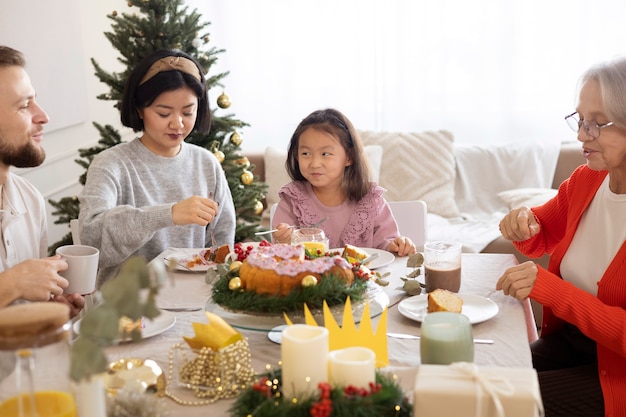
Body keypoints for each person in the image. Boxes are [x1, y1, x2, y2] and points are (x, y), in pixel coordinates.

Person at [496, 57, 626, 417]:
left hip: (616, 374)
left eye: (598, 124)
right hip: (570, 345)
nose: (582, 135)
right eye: (580, 120)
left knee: (500, 403)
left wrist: (552, 290)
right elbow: (539, 234)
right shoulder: (588, 179)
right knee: (479, 375)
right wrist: (523, 221)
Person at [79, 49, 235, 286]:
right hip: (129, 305)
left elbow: (222, 240)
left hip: (193, 298)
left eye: (188, 112)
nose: (178, 123)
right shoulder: (111, 164)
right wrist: (168, 215)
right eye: (163, 113)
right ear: (140, 109)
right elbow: (92, 239)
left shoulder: (206, 163)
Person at [0, 46, 84, 317]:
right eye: (25, 106)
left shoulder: (29, 198)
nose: (43, 116)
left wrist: (50, 309)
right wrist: (12, 284)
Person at [272, 108, 415, 256]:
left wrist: (397, 245)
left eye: (325, 154)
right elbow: (281, 254)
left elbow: (386, 245)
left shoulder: (370, 199)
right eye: (305, 153)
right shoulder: (293, 198)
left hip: (365, 278)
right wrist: (283, 240)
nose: (314, 163)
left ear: (349, 157)